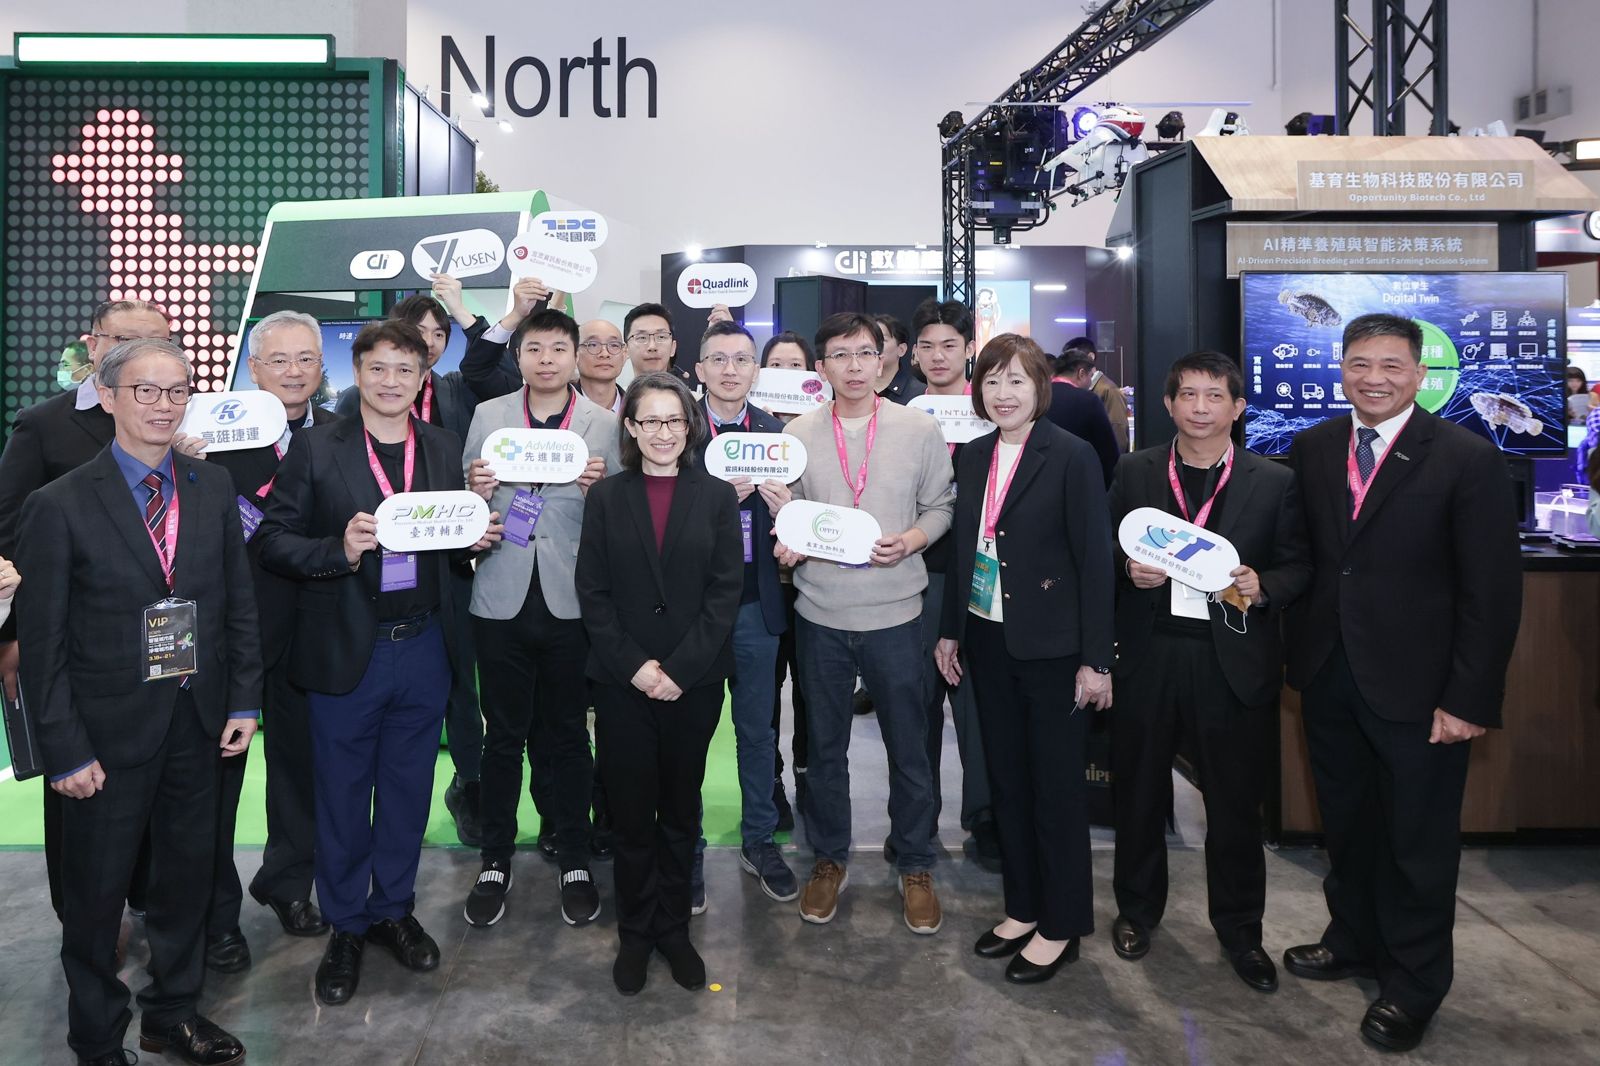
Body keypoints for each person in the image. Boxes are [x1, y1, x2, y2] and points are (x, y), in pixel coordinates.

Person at [16, 337, 262, 1066]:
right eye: (146, 391)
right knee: (96, 899)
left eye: (177, 391)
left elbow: (236, 602)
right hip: (104, 736)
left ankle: (173, 1014)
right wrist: (65, 750)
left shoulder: (211, 486)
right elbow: (42, 643)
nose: (163, 405)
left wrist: (243, 700)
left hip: (197, 718)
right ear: (109, 395)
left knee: (186, 881)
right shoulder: (57, 504)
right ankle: (97, 1040)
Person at [1283, 312, 1522, 1053]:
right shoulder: (1315, 446)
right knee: (1348, 827)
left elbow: (1491, 593)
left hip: (1423, 691)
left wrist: (1469, 698)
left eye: (1391, 365)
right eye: (1360, 364)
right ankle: (1352, 938)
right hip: (1330, 675)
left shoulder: (1466, 457)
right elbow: (1310, 559)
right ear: (1342, 369)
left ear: (1421, 373)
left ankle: (1415, 984)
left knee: (1418, 844)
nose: (1374, 378)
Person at [256, 320, 502, 1007]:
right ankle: (345, 924)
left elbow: (451, 545)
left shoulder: (443, 447)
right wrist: (338, 548)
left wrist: (474, 539)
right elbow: (273, 540)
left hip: (423, 646)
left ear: (423, 379)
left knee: (407, 791)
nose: (391, 381)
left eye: (405, 369)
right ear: (357, 373)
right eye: (378, 368)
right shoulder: (315, 448)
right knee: (340, 796)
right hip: (345, 649)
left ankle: (392, 907)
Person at [1106, 351, 1312, 993]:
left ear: (1238, 407)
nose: (1200, 407)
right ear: (1168, 404)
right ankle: (1137, 911)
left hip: (1232, 659)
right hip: (1149, 653)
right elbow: (1101, 548)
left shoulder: (1274, 481)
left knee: (1234, 802)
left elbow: (1299, 565)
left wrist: (1262, 584)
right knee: (1139, 792)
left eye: (1215, 395)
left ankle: (1241, 931)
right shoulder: (1136, 471)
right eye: (1188, 395)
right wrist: (1126, 569)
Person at [933, 334, 1113, 984]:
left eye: (1016, 380)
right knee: (1006, 781)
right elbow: (965, 549)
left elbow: (1094, 558)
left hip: (1054, 649)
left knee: (1055, 789)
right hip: (987, 639)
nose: (1003, 393)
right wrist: (951, 631)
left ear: (1041, 386)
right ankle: (1023, 907)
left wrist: (1097, 660)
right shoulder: (975, 454)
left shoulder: (1071, 455)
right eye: (991, 381)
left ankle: (1061, 924)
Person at [0, 299, 186, 925]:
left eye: (159, 342)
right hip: (82, 651)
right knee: (83, 806)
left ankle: (153, 910)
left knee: (165, 804)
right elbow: (9, 531)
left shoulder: (179, 420)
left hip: (170, 650)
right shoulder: (44, 425)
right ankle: (89, 926)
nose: (142, 355)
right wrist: (14, 633)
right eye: (125, 340)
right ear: (92, 343)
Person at [776, 312, 955, 934]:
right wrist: (788, 538)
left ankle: (915, 863)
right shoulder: (797, 432)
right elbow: (792, 512)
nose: (853, 367)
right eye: (840, 356)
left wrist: (910, 540)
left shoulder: (918, 427)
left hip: (898, 613)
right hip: (820, 614)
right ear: (821, 366)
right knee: (825, 750)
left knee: (911, 748)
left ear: (884, 359)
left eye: (864, 354)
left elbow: (941, 505)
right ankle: (829, 859)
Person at [575, 372, 743, 995]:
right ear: (631, 426)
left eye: (675, 420)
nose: (664, 432)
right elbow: (593, 593)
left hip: (692, 684)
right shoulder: (606, 497)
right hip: (623, 684)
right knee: (630, 816)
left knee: (679, 810)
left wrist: (680, 670)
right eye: (651, 420)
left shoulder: (717, 497)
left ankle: (673, 929)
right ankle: (635, 934)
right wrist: (636, 667)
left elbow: (725, 593)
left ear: (690, 426)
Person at [459, 308, 618, 929]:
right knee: (501, 737)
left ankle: (574, 857)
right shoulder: (489, 416)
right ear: (518, 356)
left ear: (575, 356)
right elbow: (466, 505)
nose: (546, 359)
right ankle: (495, 858)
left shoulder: (604, 424)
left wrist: (600, 493)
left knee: (570, 736)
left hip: (572, 602)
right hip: (499, 597)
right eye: (534, 349)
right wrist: (474, 490)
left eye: (557, 348)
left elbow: (625, 512)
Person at [205, 311, 336, 975]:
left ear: (321, 367)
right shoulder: (207, 437)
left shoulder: (340, 434)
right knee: (212, 782)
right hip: (229, 634)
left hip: (313, 629)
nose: (293, 371)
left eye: (305, 358)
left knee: (300, 770)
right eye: (278, 360)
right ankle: (214, 915)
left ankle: (288, 883)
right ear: (252, 369)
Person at [692, 320, 798, 905]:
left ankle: (759, 838)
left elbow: (805, 524)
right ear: (700, 369)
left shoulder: (779, 436)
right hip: (691, 610)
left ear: (756, 370)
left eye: (741, 359)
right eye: (718, 359)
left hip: (757, 604)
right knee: (689, 734)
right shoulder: (676, 429)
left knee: (757, 732)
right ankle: (686, 846)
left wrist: (790, 514)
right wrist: (711, 502)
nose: (730, 370)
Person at [908, 299, 998, 868]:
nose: (938, 356)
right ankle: (918, 823)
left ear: (969, 349)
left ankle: (985, 819)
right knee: (916, 704)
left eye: (949, 345)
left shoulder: (995, 412)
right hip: (916, 577)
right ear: (912, 353)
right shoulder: (900, 416)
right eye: (927, 346)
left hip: (982, 578)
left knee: (979, 706)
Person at [760, 331, 815, 824]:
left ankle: (807, 772)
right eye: (775, 366)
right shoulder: (745, 434)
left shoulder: (820, 430)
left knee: (812, 690)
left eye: (794, 366)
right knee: (764, 693)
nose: (784, 375)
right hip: (762, 588)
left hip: (815, 585)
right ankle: (771, 781)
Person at [1047, 346, 1121, 486]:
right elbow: (1108, 452)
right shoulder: (1088, 401)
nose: (1090, 382)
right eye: (1090, 376)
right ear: (1081, 374)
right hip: (1079, 481)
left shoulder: (1036, 397)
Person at [1066, 336, 1131, 453]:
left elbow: (1118, 436)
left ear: (1091, 357)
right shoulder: (1079, 390)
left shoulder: (1109, 390)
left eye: (1072, 359)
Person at [871, 313, 924, 404]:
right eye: (870, 340)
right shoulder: (855, 388)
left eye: (882, 340)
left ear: (901, 350)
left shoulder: (919, 394)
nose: (873, 345)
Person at [579, 319, 628, 414]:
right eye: (593, 345)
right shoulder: (559, 406)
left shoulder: (638, 408)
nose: (605, 354)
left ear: (625, 353)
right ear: (574, 353)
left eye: (614, 345)